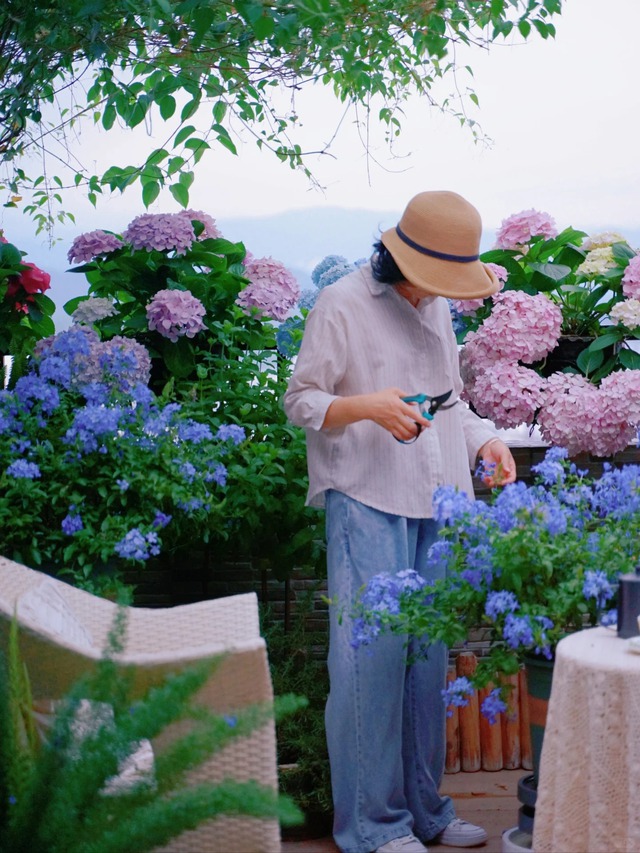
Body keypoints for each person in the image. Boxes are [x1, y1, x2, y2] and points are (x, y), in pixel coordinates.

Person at [283, 190, 516, 853]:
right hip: (365, 495)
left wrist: (486, 441)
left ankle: (425, 812)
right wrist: (366, 408)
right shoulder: (342, 303)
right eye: (432, 275)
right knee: (371, 663)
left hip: (437, 497)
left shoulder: (435, 304)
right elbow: (302, 400)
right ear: (397, 255)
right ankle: (372, 825)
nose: (440, 290)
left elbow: (452, 402)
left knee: (426, 658)